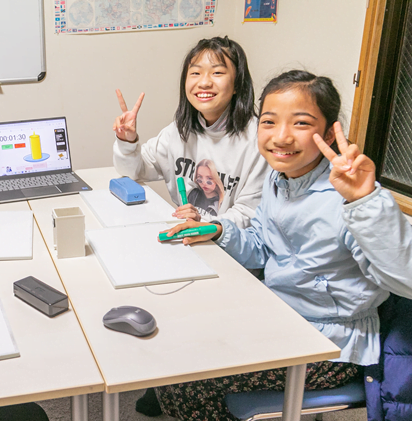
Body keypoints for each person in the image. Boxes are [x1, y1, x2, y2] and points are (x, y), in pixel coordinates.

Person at [150, 70, 412, 420]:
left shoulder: (349, 196)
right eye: (270, 121)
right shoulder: (280, 179)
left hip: (332, 345)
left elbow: (404, 278)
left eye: (301, 123)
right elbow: (260, 244)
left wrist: (364, 201)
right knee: (176, 348)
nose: (282, 137)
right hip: (279, 317)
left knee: (188, 383)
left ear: (330, 131)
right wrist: (219, 230)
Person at [113, 36, 269, 229]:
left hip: (228, 247)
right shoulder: (181, 130)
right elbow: (133, 172)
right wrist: (127, 142)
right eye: (195, 73)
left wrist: (204, 225)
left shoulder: (258, 139)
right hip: (189, 237)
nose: (204, 83)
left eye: (217, 72)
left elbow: (249, 213)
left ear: (237, 84)